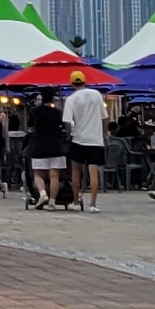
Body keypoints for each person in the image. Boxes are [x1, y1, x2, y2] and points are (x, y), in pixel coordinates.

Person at [61, 75, 106, 210]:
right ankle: (93, 204)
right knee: (93, 172)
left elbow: (67, 121)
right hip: (96, 139)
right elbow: (104, 117)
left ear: (72, 84)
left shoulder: (71, 99)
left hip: (78, 139)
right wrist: (104, 134)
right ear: (84, 82)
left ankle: (76, 202)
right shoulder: (96, 95)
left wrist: (69, 135)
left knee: (76, 171)